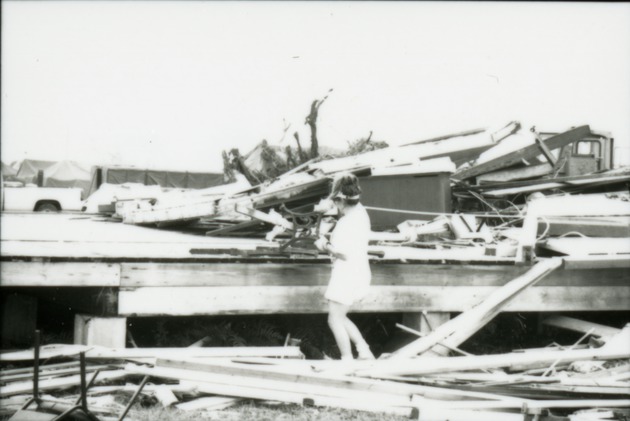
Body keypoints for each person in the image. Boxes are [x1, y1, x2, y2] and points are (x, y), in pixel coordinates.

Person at [314, 173, 375, 361]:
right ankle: (364, 351)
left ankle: (347, 359)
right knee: (341, 316)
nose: (336, 207)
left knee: (334, 320)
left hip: (346, 274)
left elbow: (342, 252)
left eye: (337, 203)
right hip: (358, 271)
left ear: (341, 200)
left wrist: (323, 243)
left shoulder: (346, 223)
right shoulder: (360, 212)